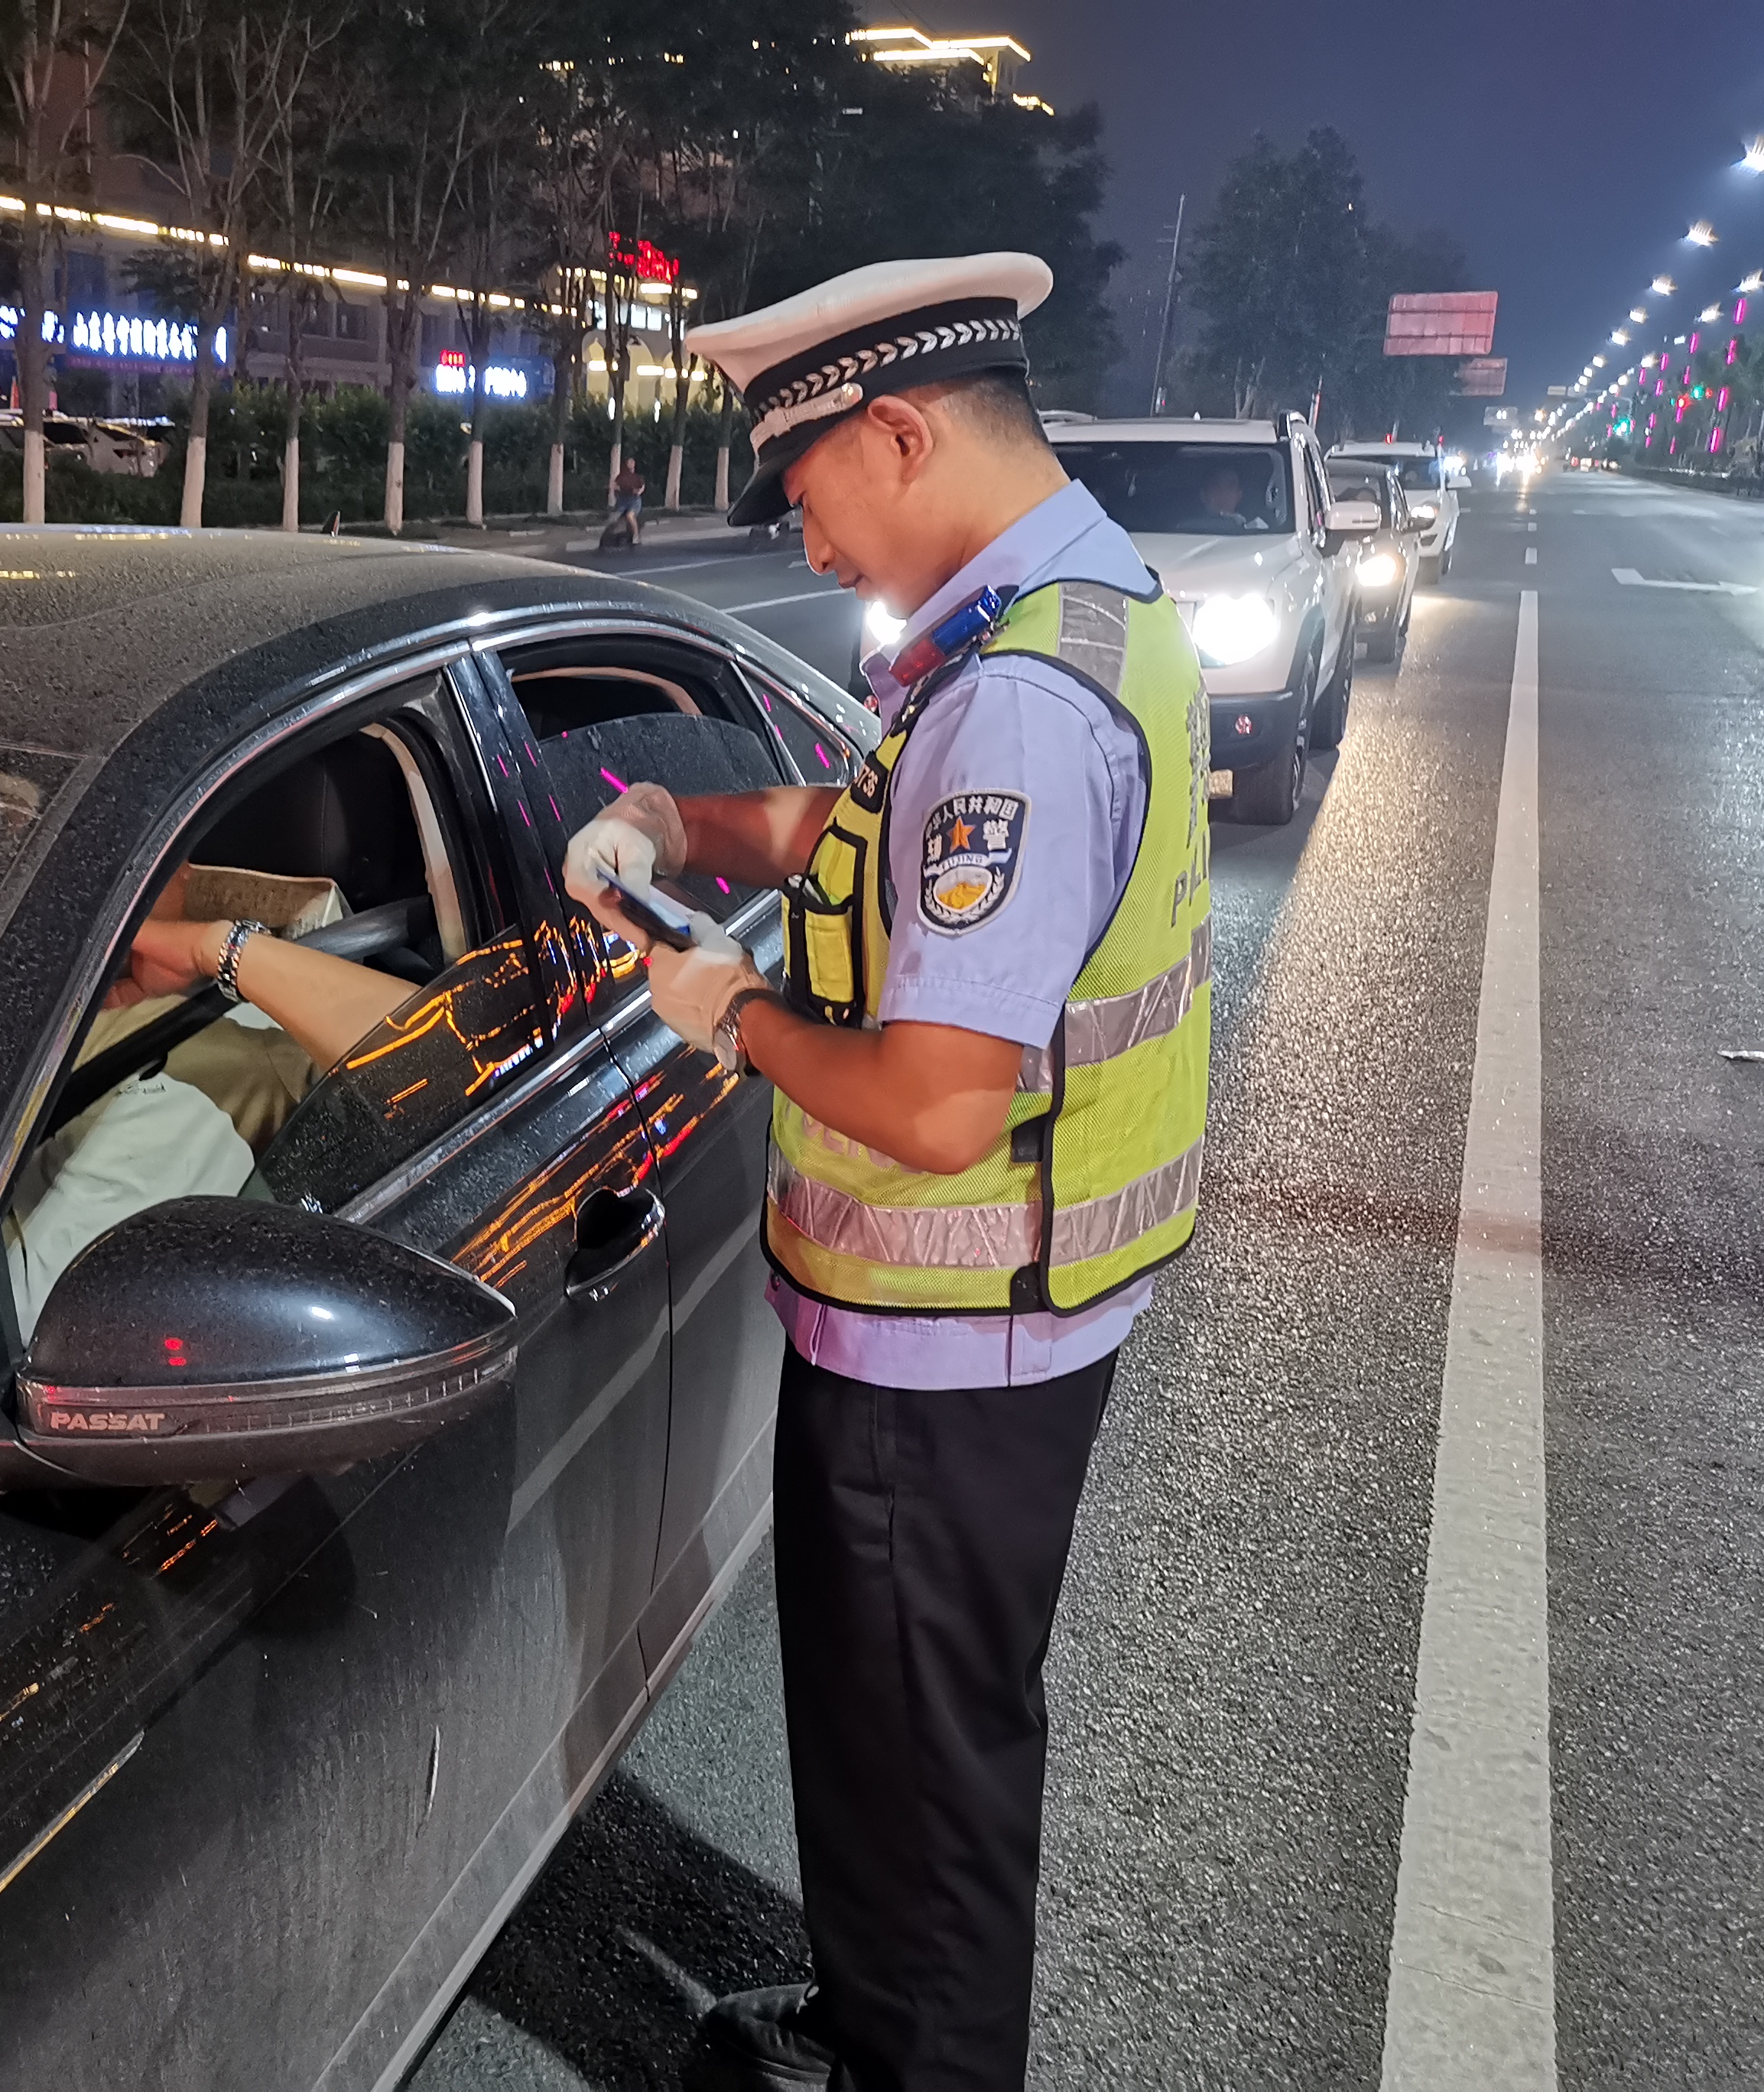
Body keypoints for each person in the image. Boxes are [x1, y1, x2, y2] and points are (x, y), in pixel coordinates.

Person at [564, 253, 1211, 2092]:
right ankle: (869, 2025)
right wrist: (683, 819)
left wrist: (727, 1008)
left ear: (902, 429)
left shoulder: (1016, 700)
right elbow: (865, 833)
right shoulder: (1070, 619)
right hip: (982, 1320)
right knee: (897, 1740)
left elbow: (930, 1105)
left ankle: (906, 2062)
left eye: (809, 492)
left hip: (953, 1336)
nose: (815, 543)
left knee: (924, 1765)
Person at [0, 863, 410, 1335]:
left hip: (76, 1379)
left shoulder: (253, 1036)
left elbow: (444, 1050)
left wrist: (215, 949)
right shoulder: (6, 1025)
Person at [609, 456, 647, 541]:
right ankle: (612, 535)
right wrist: (618, 489)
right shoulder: (621, 477)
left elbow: (642, 486)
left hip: (634, 500)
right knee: (615, 516)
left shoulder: (637, 477)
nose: (631, 465)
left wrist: (638, 492)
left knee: (630, 515)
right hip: (623, 500)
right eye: (629, 463)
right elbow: (613, 485)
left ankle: (636, 536)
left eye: (632, 463)